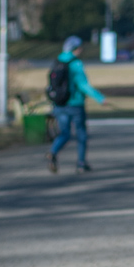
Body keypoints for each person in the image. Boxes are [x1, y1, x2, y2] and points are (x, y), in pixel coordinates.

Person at [46, 36, 107, 174]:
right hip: (75, 104)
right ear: (76, 49)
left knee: (65, 133)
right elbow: (83, 85)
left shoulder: (58, 61)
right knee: (81, 134)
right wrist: (100, 98)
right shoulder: (76, 64)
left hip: (60, 104)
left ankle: (53, 152)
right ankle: (81, 163)